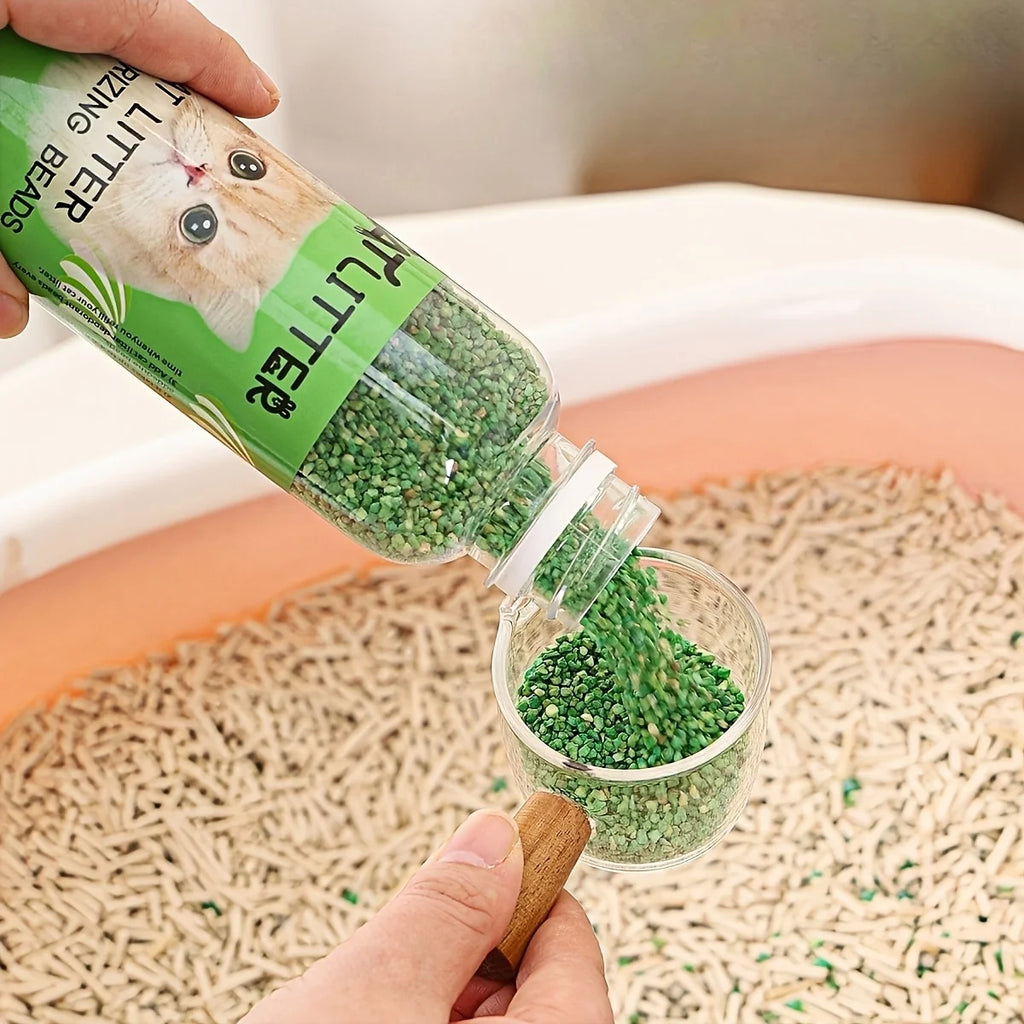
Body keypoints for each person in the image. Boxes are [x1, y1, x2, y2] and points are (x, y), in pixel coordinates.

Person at [0, 4, 615, 1020]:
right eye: (196, 219)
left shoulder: (460, 451)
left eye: (234, 180)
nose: (205, 179)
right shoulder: (471, 428)